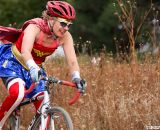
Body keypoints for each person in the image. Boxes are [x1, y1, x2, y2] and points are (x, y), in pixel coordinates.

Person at [0, 1, 86, 128]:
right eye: (63, 23)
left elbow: (72, 61)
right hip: (14, 62)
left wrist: (77, 77)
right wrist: (33, 67)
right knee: (18, 93)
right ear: (51, 19)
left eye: (69, 25)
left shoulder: (66, 36)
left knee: (44, 104)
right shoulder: (34, 27)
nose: (66, 28)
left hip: (35, 67)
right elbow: (25, 51)